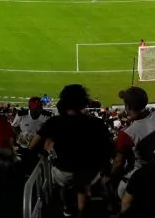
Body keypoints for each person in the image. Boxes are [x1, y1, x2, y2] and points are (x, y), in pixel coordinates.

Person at [31, 85, 113, 218]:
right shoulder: (97, 123)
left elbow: (33, 145)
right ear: (84, 101)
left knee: (62, 181)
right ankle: (84, 209)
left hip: (64, 172)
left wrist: (46, 148)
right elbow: (108, 149)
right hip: (90, 171)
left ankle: (66, 207)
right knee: (84, 180)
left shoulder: (54, 122)